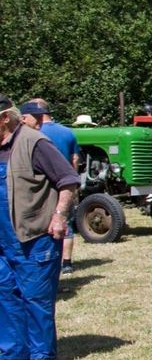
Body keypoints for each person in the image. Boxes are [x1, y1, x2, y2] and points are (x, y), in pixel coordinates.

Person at [0, 95, 79, 360]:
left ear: (5, 118)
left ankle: (41, 354)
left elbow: (68, 180)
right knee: (6, 293)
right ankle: (13, 350)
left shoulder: (34, 143)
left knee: (36, 296)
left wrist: (59, 216)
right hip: (3, 238)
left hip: (35, 235)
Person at [20, 100, 79, 275]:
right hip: (62, 186)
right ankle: (66, 262)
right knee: (64, 224)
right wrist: (73, 187)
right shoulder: (68, 132)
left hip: (38, 191)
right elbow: (75, 160)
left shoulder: (27, 135)